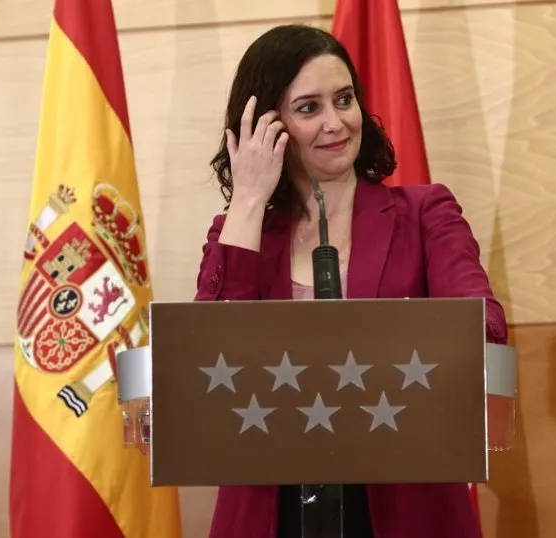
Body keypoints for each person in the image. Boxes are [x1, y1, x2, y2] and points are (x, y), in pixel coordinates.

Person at [194, 23, 508, 538]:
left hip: (404, 500)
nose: (336, 122)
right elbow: (206, 357)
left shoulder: (425, 212)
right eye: (308, 108)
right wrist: (248, 199)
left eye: (344, 99)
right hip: (272, 505)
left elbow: (485, 325)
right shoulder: (237, 233)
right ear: (266, 126)